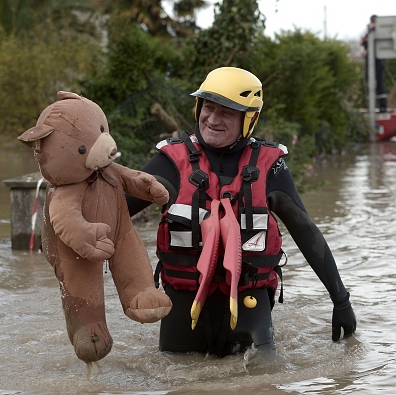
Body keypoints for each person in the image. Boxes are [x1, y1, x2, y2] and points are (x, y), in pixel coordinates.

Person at [125, 67, 356, 357]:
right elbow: (114, 213)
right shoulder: (169, 162)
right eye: (208, 107)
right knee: (178, 380)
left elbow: (307, 233)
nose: (212, 119)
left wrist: (341, 301)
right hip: (184, 303)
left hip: (251, 301)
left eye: (227, 113)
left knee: (263, 378)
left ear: (249, 119)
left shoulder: (271, 167)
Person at [361, 15, 388, 112]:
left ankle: (372, 106)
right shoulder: (379, 29)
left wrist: (366, 50)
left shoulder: (372, 29)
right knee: (379, 83)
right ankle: (382, 106)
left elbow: (366, 42)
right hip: (380, 60)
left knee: (370, 82)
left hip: (373, 60)